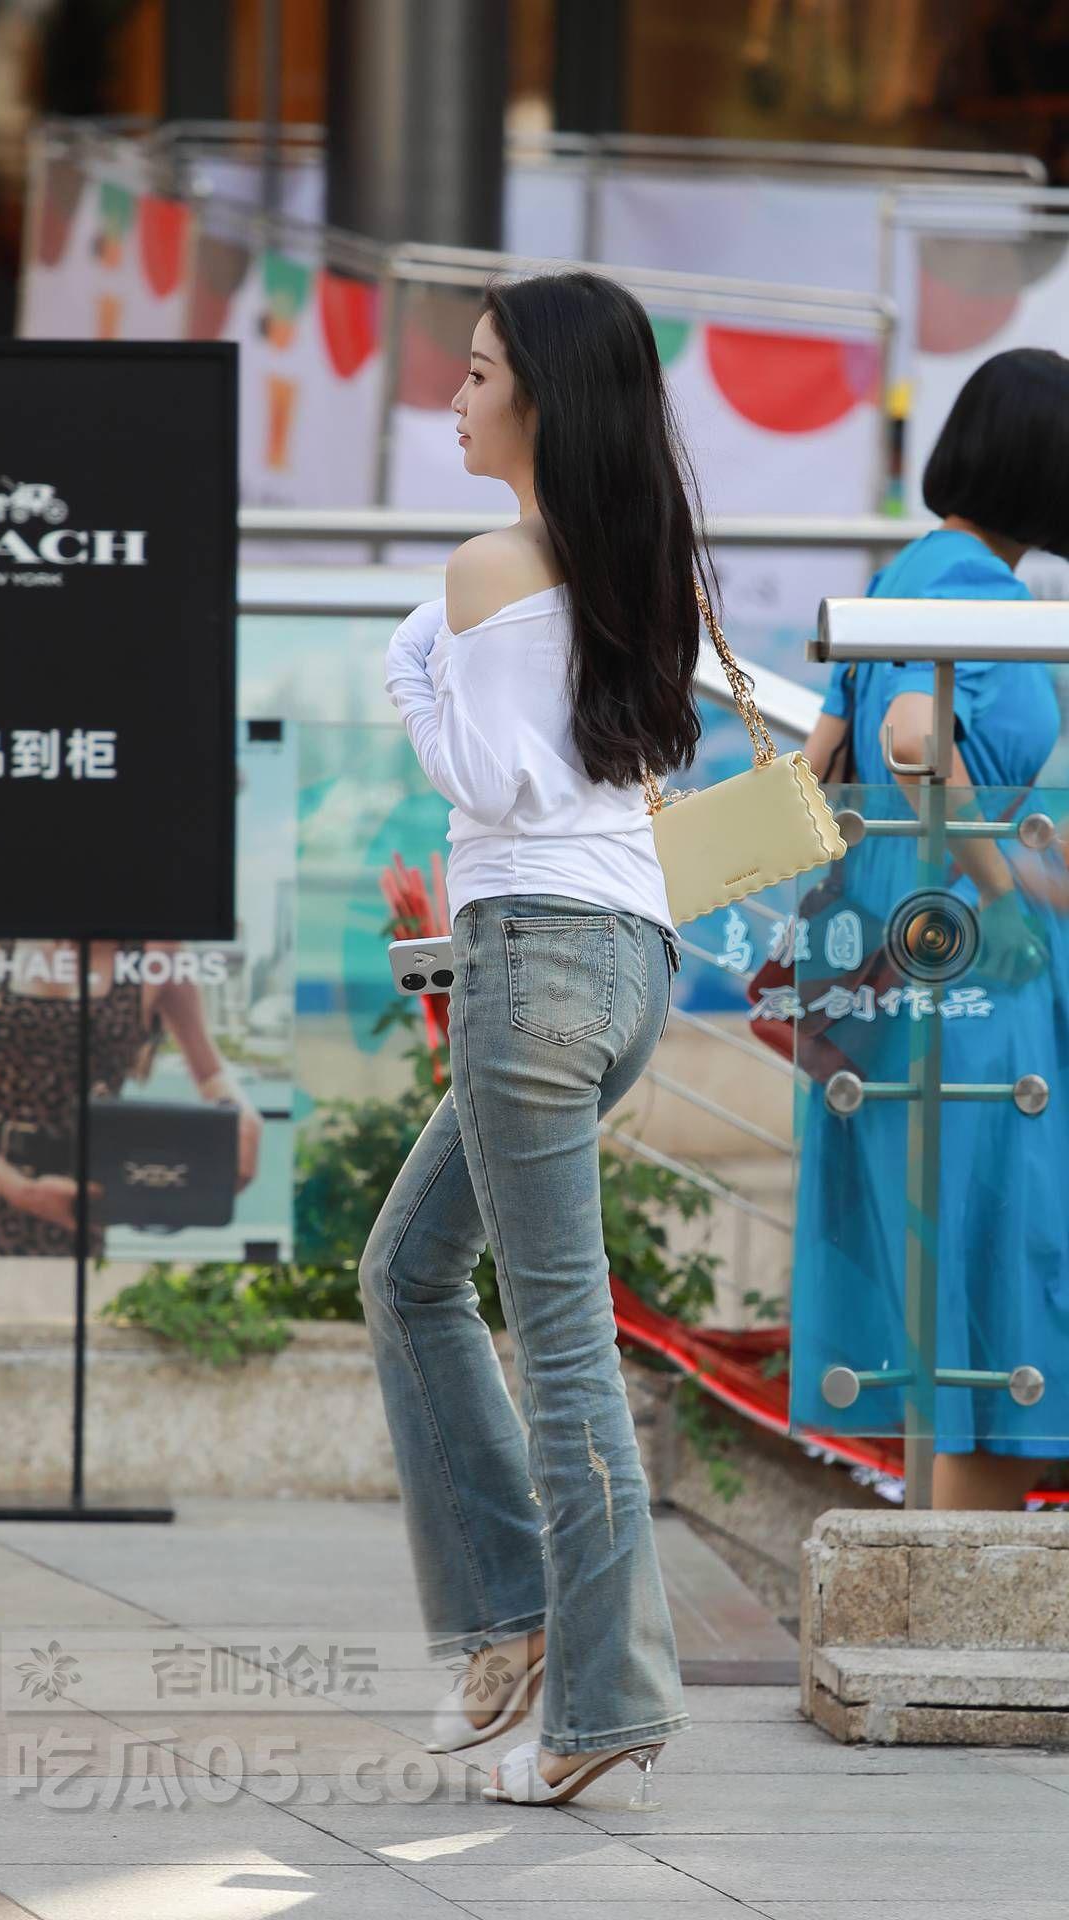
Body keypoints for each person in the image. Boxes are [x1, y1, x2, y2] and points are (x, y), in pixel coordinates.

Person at [361, 269, 712, 1808]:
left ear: (543, 400)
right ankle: (512, 1621)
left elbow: (488, 778)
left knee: (563, 1349)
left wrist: (410, 686)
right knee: (408, 1270)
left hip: (537, 964)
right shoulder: (631, 555)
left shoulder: (493, 562)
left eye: (480, 372)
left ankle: (598, 1702)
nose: (455, 394)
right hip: (627, 960)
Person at [796, 346, 1069, 1511]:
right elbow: (913, 741)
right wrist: (1001, 894)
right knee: (1004, 1328)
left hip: (887, 967)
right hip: (969, 976)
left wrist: (1021, 862)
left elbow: (827, 761)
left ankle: (927, 1584)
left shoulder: (902, 574)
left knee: (948, 1318)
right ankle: (952, 1600)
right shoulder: (981, 595)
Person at [0, 938, 262, 1255]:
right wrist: (19, 1190)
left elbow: (211, 1072)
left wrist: (244, 1117)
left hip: (78, 1195)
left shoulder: (156, 951)